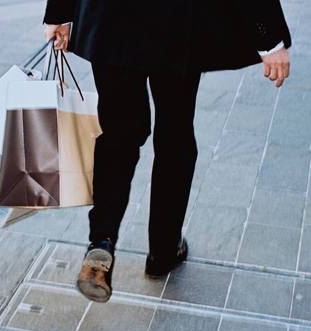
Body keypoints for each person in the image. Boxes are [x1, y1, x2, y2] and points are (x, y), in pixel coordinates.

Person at [43, 0, 291, 303]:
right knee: (175, 136)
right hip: (178, 23)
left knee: (119, 134)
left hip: (110, 17)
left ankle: (102, 241)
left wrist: (59, 12)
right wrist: (269, 38)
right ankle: (163, 250)